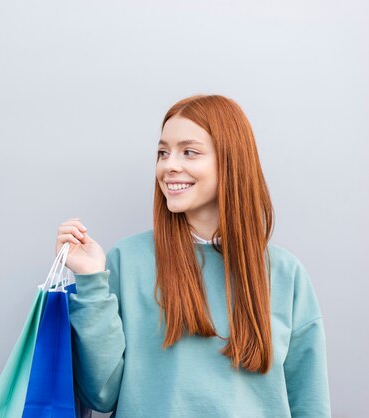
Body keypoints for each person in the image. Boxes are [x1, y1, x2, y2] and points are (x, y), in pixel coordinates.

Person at [54, 94, 331, 417]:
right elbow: (100, 395)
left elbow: (309, 405)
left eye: (189, 152)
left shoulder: (285, 273)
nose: (169, 165)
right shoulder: (126, 261)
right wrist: (90, 280)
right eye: (162, 152)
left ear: (231, 160)